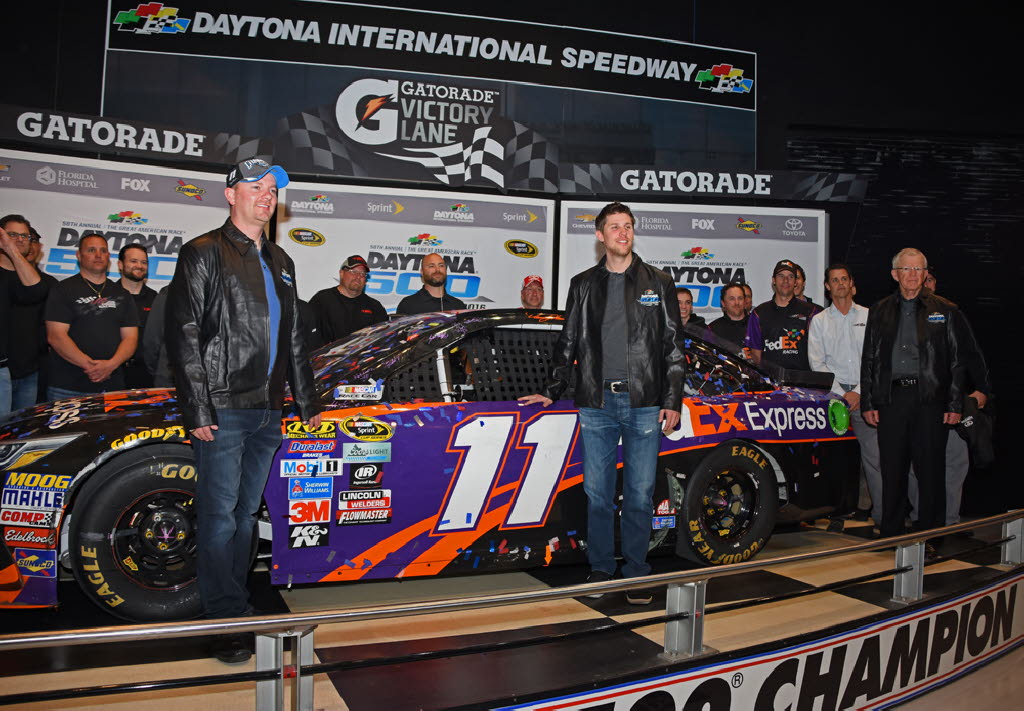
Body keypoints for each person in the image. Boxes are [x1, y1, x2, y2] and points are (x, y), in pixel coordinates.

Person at [166, 157, 320, 664]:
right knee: (218, 517)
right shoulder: (202, 252)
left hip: (267, 411)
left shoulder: (283, 261)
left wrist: (308, 401)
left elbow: (295, 338)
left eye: (273, 188)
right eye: (255, 186)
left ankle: (234, 600)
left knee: (246, 516)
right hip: (223, 407)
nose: (267, 194)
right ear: (230, 194)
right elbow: (184, 336)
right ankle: (223, 618)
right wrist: (198, 407)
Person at [519, 202, 684, 605]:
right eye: (614, 227)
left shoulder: (658, 282)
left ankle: (637, 572)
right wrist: (552, 389)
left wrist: (673, 398)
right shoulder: (582, 284)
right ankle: (600, 568)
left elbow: (673, 346)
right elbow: (568, 342)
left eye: (627, 227)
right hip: (595, 403)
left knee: (641, 494)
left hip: (645, 403)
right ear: (600, 236)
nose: (622, 233)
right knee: (597, 493)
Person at [861, 248, 968, 543]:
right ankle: (892, 534)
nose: (912, 275)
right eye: (906, 270)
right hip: (891, 400)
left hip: (930, 401)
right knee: (892, 469)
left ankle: (932, 536)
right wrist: (868, 401)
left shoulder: (945, 309)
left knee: (930, 469)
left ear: (925, 274)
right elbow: (869, 358)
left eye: (918, 270)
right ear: (895, 274)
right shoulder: (879, 309)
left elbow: (958, 360)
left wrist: (955, 402)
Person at [907, 268, 991, 529]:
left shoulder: (950, 312)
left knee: (955, 461)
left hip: (950, 402)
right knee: (914, 464)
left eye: (929, 278)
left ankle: (950, 521)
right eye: (920, 277)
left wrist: (983, 390)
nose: (924, 282)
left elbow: (971, 354)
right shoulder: (901, 315)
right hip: (915, 404)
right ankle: (921, 519)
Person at [808, 264, 880, 525]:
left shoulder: (871, 316)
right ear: (827, 287)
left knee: (874, 460)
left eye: (844, 279)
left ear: (852, 283)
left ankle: (880, 517)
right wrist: (841, 394)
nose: (839, 284)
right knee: (831, 460)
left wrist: (859, 392)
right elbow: (817, 364)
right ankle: (831, 513)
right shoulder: (819, 321)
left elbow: (875, 360)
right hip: (832, 399)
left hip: (866, 397)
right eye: (834, 280)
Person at [44, 234, 138, 400]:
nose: (98, 255)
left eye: (103, 250)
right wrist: (91, 367)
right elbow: (56, 336)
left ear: (109, 256)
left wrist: (110, 366)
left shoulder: (122, 294)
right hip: (67, 387)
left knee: (111, 427)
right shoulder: (63, 290)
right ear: (79, 256)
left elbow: (131, 338)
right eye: (91, 250)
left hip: (112, 386)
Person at [0, 216, 47, 414]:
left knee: (21, 434)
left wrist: (12, 250)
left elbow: (36, 290)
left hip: (27, 370)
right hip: (2, 368)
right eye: (12, 235)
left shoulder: (33, 279)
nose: (18, 240)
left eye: (24, 236)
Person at [745, 260, 817, 370]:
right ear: (773, 280)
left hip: (803, 383)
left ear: (795, 282)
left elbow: (819, 353)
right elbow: (756, 356)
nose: (786, 280)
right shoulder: (759, 313)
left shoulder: (811, 311)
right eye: (781, 276)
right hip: (771, 384)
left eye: (791, 277)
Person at [309, 255, 387, 348]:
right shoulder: (322, 300)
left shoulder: (375, 307)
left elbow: (382, 341)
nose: (358, 277)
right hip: (326, 360)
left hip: (363, 360)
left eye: (362, 274)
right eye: (353, 272)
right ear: (341, 273)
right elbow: (308, 335)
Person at [117, 243, 157, 388]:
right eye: (133, 261)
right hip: (112, 373)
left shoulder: (156, 299)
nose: (139, 266)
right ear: (120, 265)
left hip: (146, 376)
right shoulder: (107, 296)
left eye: (144, 262)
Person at [395, 252, 467, 314]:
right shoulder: (408, 305)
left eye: (441, 265)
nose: (437, 270)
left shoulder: (459, 306)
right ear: (422, 272)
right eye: (431, 266)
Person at [707, 282, 749, 348]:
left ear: (745, 301)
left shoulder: (757, 324)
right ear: (723, 303)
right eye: (732, 299)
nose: (737, 303)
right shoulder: (713, 329)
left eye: (740, 298)